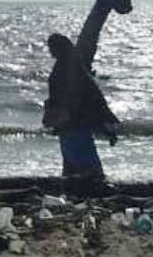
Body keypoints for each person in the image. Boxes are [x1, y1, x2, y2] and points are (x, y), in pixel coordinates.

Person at [43, 33, 120, 180]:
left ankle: (87, 192)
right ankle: (82, 192)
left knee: (81, 163)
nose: (50, 50)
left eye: (52, 46)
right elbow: (93, 94)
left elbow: (86, 95)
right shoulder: (71, 65)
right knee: (78, 162)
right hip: (72, 122)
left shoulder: (66, 67)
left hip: (72, 121)